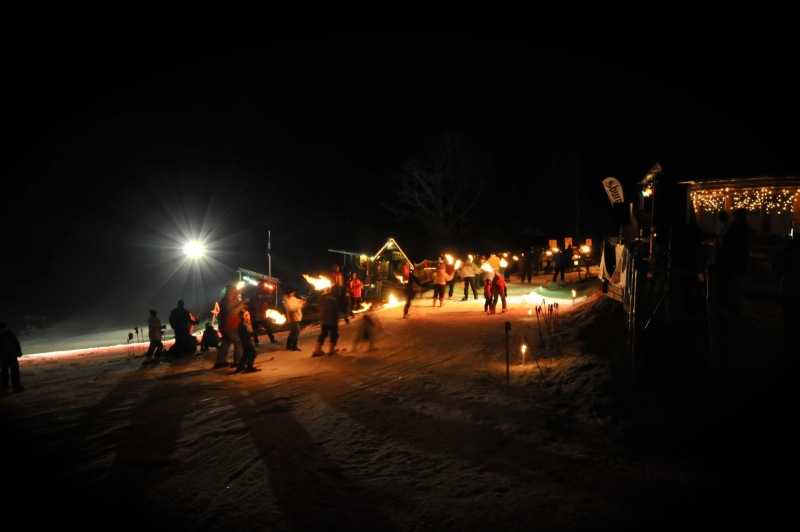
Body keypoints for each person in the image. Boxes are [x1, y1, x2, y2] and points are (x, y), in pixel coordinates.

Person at [716, 207, 754, 314]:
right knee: (737, 283)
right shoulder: (748, 229)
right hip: (741, 259)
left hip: (730, 260)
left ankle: (729, 304)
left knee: (729, 282)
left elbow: (727, 244)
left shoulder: (733, 227)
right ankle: (736, 303)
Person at [773, 235, 800, 362]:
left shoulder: (787, 255)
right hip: (792, 290)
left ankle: (790, 348)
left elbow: (777, 268)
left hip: (788, 290)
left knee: (790, 321)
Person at [214, 285, 246, 369]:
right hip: (229, 326)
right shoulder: (226, 301)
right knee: (238, 342)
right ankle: (238, 362)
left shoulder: (228, 300)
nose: (236, 293)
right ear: (230, 292)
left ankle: (221, 361)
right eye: (234, 291)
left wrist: (240, 305)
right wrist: (240, 305)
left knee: (226, 342)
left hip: (229, 325)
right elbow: (231, 312)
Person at [311, 288, 342, 357]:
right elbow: (338, 309)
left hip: (324, 319)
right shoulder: (337, 298)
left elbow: (319, 305)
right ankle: (331, 350)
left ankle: (317, 350)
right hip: (333, 319)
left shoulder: (323, 295)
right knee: (334, 335)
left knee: (323, 334)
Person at [234, 309, 261, 373]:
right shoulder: (245, 325)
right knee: (253, 354)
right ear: (244, 317)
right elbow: (250, 333)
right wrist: (258, 331)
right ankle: (249, 367)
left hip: (244, 342)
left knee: (246, 355)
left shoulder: (241, 324)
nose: (249, 316)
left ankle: (240, 366)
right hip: (248, 342)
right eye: (247, 315)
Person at [0, 322, 24, 394]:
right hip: (4, 358)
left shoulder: (10, 334)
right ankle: (5, 388)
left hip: (11, 356)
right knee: (5, 373)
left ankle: (15, 386)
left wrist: (18, 352)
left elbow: (16, 343)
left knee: (14, 372)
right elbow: (16, 343)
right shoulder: (10, 334)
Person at [282, 286, 306, 352]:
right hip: (292, 317)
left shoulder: (293, 298)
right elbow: (291, 308)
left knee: (293, 332)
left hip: (296, 316)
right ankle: (294, 347)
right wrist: (300, 304)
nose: (292, 293)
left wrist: (302, 301)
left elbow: (298, 302)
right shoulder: (286, 300)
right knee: (296, 331)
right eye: (291, 293)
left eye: (292, 292)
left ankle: (288, 345)